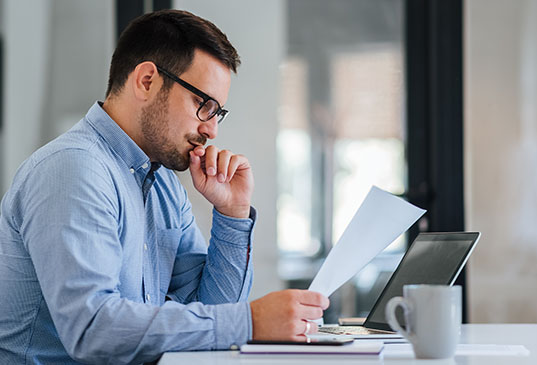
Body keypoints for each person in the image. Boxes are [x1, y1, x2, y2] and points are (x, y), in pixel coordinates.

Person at [0, 9, 328, 364]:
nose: (211, 130)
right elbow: (92, 329)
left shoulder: (163, 187)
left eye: (218, 113)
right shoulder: (74, 169)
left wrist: (231, 214)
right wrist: (249, 322)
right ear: (146, 81)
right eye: (204, 105)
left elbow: (209, 312)